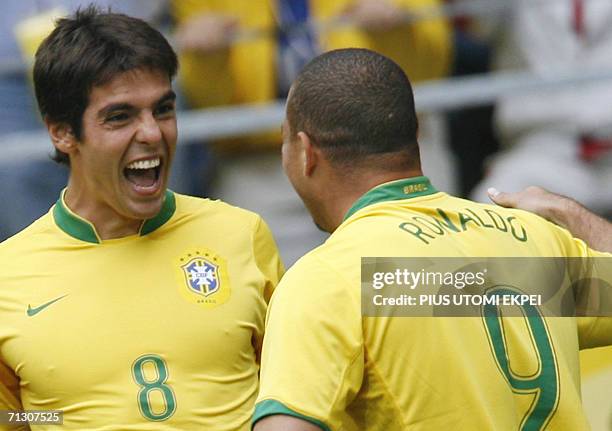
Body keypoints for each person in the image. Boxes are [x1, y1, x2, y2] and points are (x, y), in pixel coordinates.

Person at [252, 48, 612, 430]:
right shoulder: (534, 238)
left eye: (284, 141)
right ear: (415, 135)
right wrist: (567, 212)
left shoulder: (328, 278)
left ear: (306, 153)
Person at [0, 6, 283, 430]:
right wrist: (63, 418)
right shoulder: (8, 275)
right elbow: (13, 417)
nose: (152, 133)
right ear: (61, 132)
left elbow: (291, 393)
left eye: (163, 110)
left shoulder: (241, 234)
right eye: (120, 116)